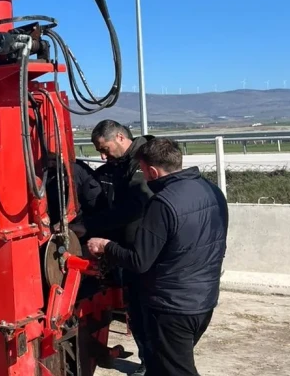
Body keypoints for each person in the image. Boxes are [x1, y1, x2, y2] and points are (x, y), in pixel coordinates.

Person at [86, 137, 229, 376]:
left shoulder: (162, 203)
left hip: (171, 307)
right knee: (161, 366)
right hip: (204, 299)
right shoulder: (212, 191)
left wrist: (106, 246)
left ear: (152, 171)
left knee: (175, 370)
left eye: (143, 170)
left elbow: (139, 261)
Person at [75, 120, 154, 376]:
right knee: (136, 311)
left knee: (147, 311)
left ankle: (153, 364)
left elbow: (131, 210)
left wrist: (88, 226)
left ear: (120, 137)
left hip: (146, 252)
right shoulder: (117, 166)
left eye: (104, 148)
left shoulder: (144, 163)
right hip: (127, 251)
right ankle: (148, 360)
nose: (102, 155)